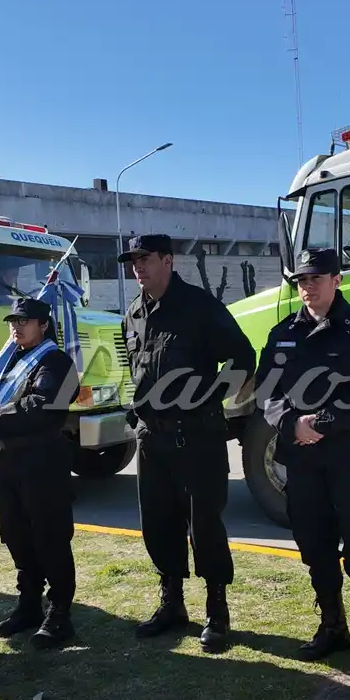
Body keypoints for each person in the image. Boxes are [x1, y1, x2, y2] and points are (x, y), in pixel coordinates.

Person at [255, 249, 350, 679]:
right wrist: (290, 423)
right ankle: (333, 625)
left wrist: (324, 423)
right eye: (301, 280)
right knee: (314, 545)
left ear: (337, 280)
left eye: (316, 278)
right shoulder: (283, 332)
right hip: (303, 459)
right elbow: (266, 392)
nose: (307, 286)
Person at [120, 233, 256, 653]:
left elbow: (242, 358)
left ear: (168, 260)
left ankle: (217, 612)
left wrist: (208, 398)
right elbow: (135, 368)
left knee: (205, 526)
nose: (138, 267)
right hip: (152, 438)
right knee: (158, 523)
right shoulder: (133, 313)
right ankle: (172, 604)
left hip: (196, 437)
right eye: (133, 261)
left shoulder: (200, 307)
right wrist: (135, 408)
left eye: (145, 259)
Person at [0, 297, 79, 648]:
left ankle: (59, 613)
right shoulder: (11, 360)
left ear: (43, 325)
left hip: (42, 463)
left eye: (24, 321)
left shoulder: (56, 362)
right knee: (16, 535)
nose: (16, 327)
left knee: (50, 538)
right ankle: (29, 604)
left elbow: (42, 404)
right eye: (13, 321)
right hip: (9, 463)